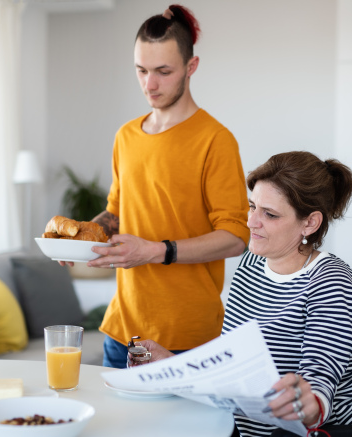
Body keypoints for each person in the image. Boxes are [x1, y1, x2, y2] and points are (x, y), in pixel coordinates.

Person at [131, 151, 352, 437]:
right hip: (242, 429)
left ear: (309, 223)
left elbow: (318, 387)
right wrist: (172, 365)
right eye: (252, 207)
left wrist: (309, 405)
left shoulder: (331, 282)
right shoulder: (251, 264)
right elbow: (233, 368)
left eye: (269, 214)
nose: (251, 222)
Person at [65, 5, 250, 369]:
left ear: (190, 68)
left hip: (188, 338)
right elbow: (117, 212)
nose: (150, 84)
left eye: (163, 72)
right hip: (122, 331)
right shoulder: (126, 136)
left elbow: (236, 236)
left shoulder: (216, 140)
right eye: (141, 70)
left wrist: (155, 250)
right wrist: (84, 235)